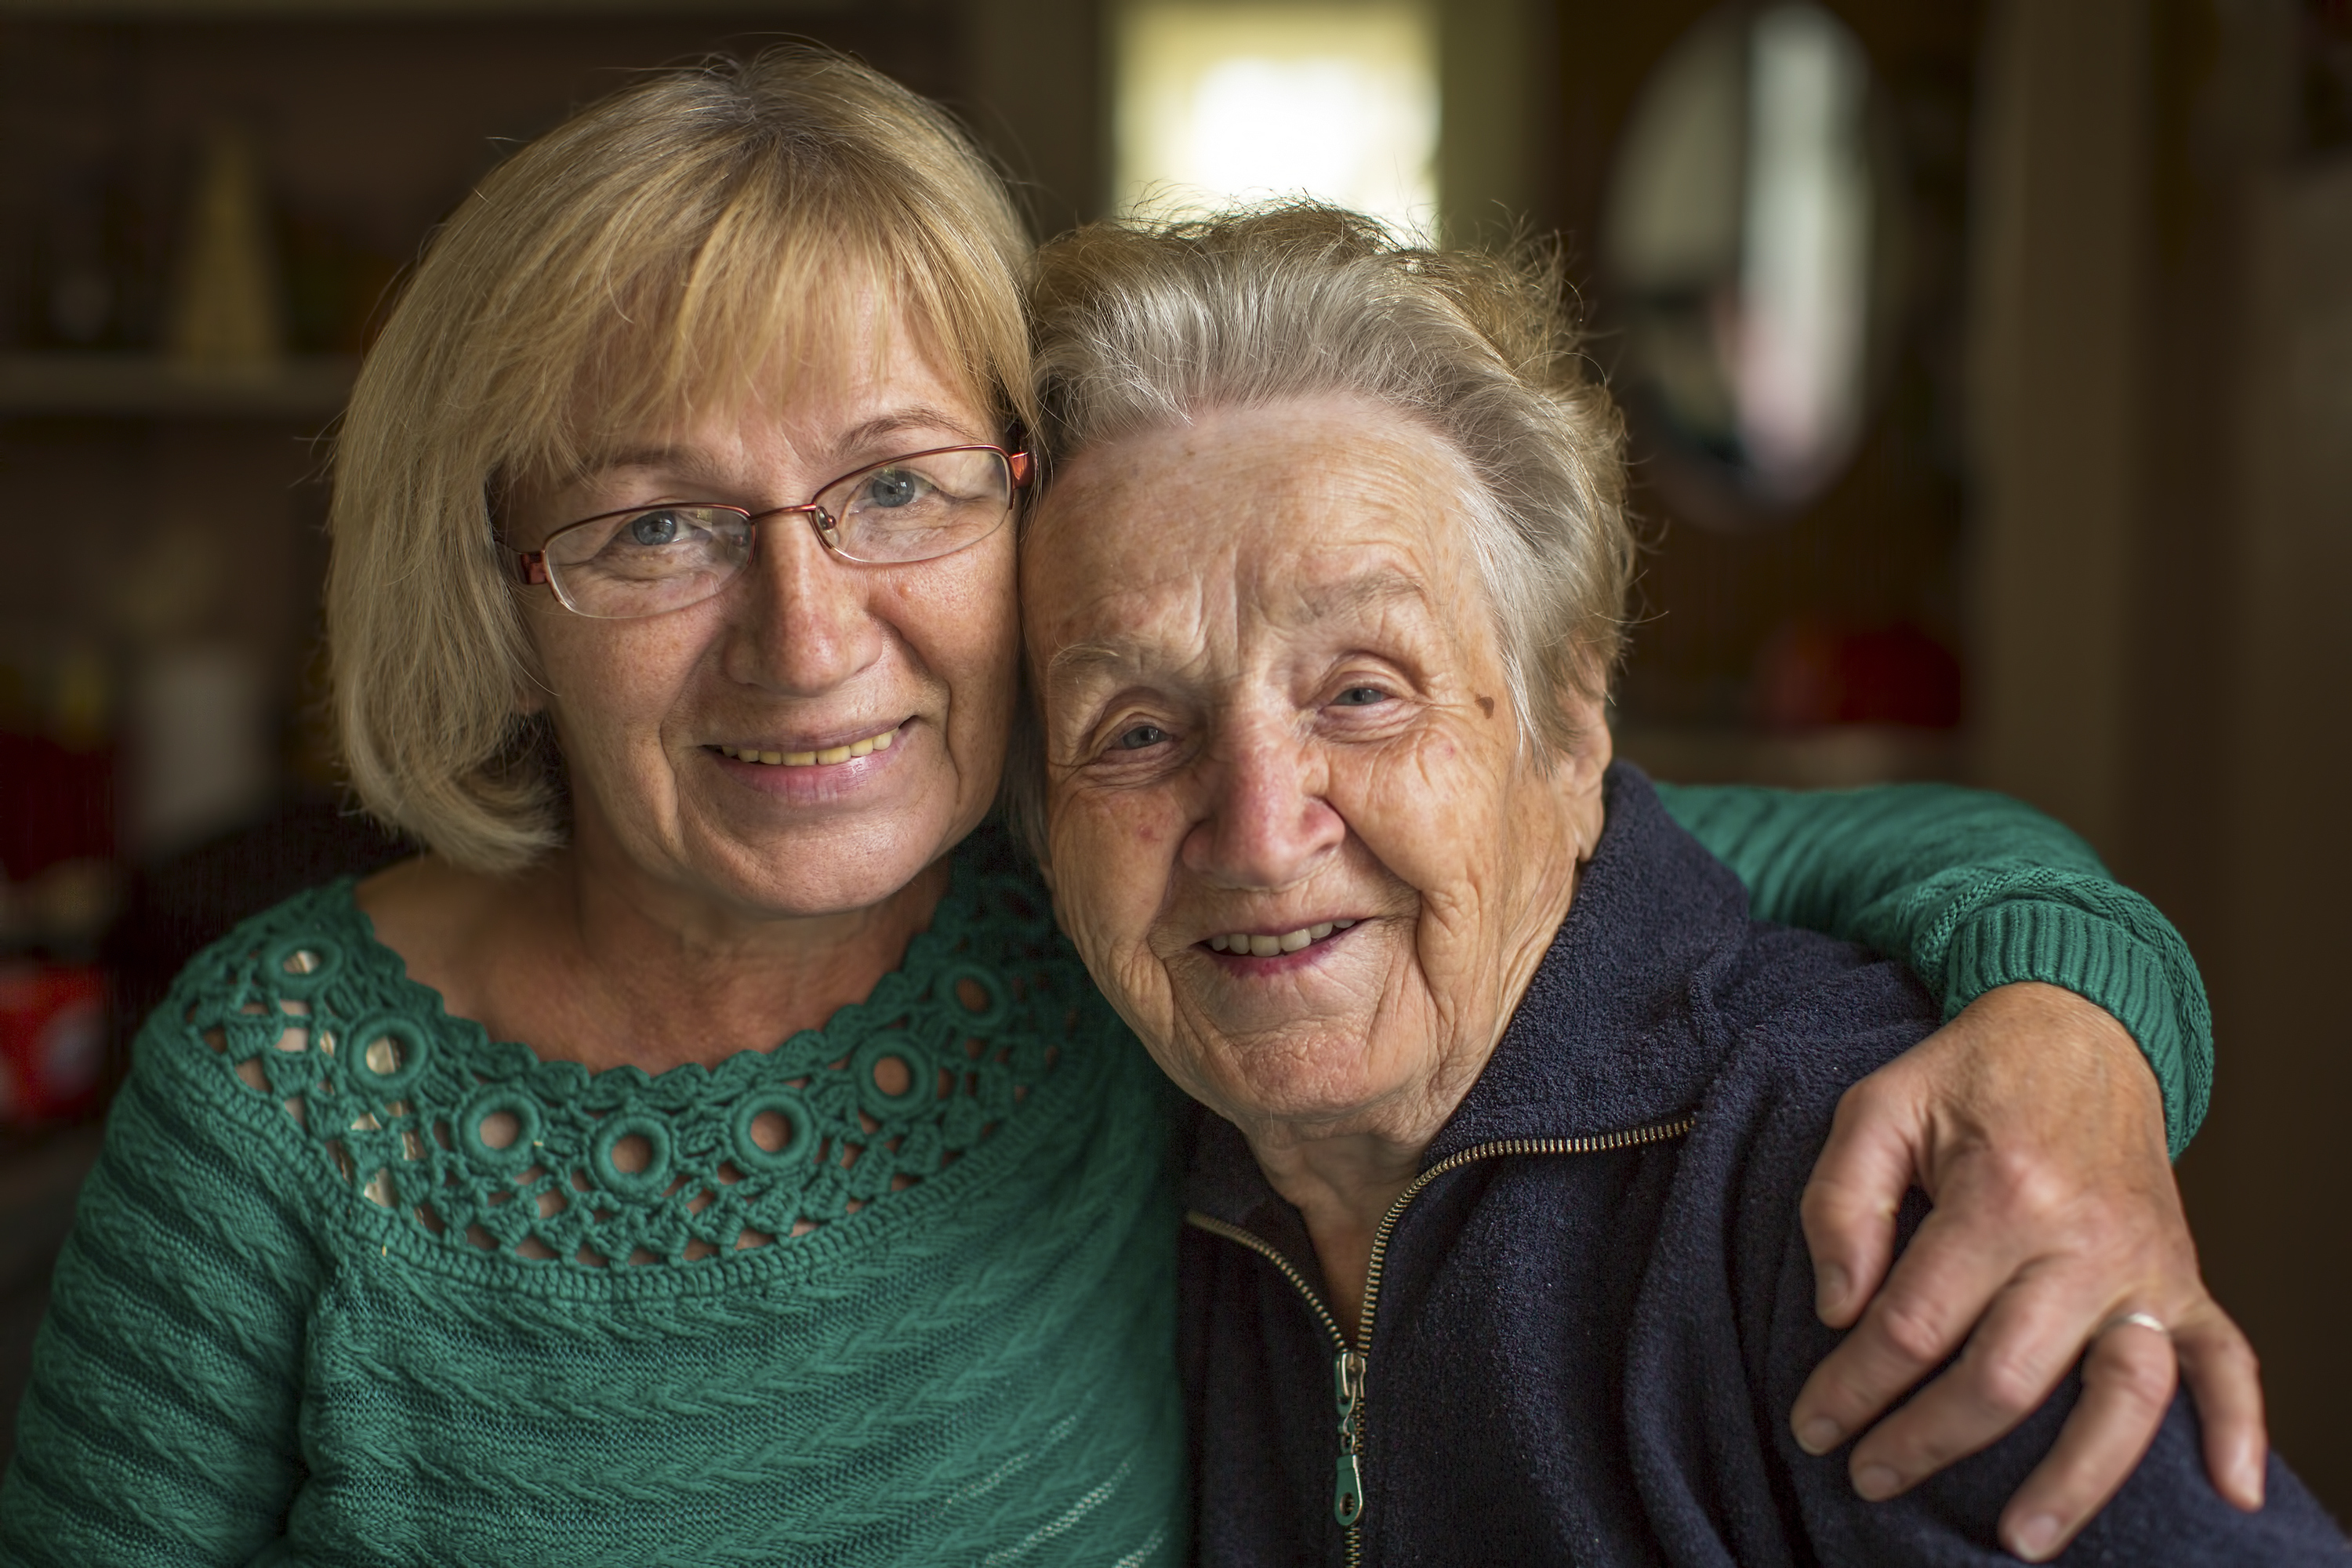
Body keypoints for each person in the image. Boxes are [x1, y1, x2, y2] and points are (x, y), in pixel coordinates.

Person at [0, 53, 2255, 1566]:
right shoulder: (282, 1095)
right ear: (499, 588)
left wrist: (2084, 1040)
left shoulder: (1099, 905)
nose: (806, 640)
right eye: (655, 529)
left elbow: (1804, 856)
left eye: (893, 490)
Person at [1015, 201, 2339, 1565]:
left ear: (1572, 722)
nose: (1256, 831)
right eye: (1136, 732)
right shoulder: (1101, 1155)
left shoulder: (1839, 1181)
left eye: (1363, 692)